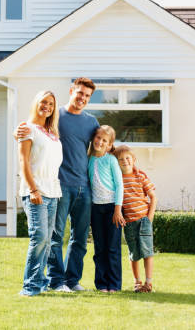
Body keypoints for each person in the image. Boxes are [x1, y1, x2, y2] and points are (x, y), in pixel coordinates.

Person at [16, 77, 99, 292]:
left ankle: (72, 281)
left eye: (87, 95)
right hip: (60, 187)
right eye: (79, 93)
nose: (82, 98)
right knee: (53, 237)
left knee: (79, 239)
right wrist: (18, 132)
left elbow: (102, 146)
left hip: (82, 187)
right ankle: (55, 280)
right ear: (72, 91)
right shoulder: (55, 117)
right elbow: (30, 134)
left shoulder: (90, 122)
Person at [18, 90, 63, 296]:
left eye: (51, 104)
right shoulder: (27, 128)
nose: (47, 106)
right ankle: (30, 287)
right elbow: (23, 161)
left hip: (53, 192)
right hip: (35, 191)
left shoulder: (51, 133)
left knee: (47, 242)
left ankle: (41, 282)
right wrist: (33, 189)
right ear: (36, 102)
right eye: (44, 102)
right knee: (39, 238)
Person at [114, 144, 157, 293]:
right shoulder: (117, 178)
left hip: (143, 220)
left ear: (134, 159)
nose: (125, 161)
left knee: (147, 252)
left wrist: (149, 218)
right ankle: (137, 282)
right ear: (117, 163)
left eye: (128, 158)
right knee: (134, 254)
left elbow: (153, 197)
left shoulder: (140, 176)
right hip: (129, 223)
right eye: (121, 159)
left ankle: (148, 282)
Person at [88, 125, 124, 292]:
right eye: (98, 138)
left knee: (113, 248)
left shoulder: (110, 160)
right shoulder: (89, 159)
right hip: (96, 209)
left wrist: (117, 210)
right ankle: (101, 284)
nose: (100, 142)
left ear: (110, 145)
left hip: (112, 209)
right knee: (100, 248)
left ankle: (114, 285)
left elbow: (119, 185)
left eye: (104, 140)